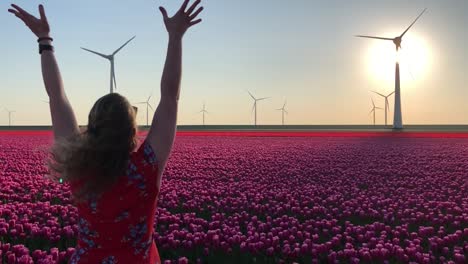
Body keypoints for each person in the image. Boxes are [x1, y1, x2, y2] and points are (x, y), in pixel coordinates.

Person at [8, 0, 203, 263]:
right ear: (132, 130)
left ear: (92, 125)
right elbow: (170, 97)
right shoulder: (147, 165)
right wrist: (175, 37)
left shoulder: (79, 165)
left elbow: (57, 97)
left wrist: (45, 40)